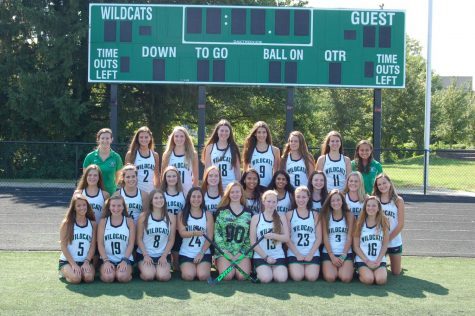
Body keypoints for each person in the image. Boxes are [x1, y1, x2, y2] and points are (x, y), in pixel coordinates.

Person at [214, 181, 253, 280]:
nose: (235, 194)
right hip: (225, 252)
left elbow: (250, 236)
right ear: (228, 194)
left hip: (242, 252)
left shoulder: (248, 213)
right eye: (232, 192)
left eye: (237, 192)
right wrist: (225, 251)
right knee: (227, 276)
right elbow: (217, 234)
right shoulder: (221, 212)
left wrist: (242, 252)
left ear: (241, 193)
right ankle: (219, 263)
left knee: (242, 277)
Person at [250, 190, 290, 283]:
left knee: (281, 279)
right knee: (266, 278)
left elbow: (286, 238)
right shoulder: (256, 218)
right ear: (263, 202)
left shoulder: (281, 217)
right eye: (268, 201)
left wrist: (273, 235)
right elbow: (253, 242)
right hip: (261, 256)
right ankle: (260, 270)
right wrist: (266, 257)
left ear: (277, 203)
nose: (271, 204)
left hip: (277, 255)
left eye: (274, 202)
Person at [136, 189, 175, 281]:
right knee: (149, 276)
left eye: (161, 198)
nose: (159, 200)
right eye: (156, 198)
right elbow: (139, 238)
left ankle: (162, 269)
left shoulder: (171, 216)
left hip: (162, 254)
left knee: (162, 277)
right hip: (146, 254)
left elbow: (171, 239)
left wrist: (164, 256)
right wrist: (145, 255)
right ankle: (144, 269)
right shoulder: (143, 216)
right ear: (151, 201)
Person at [286, 186, 322, 281]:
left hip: (312, 252)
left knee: (311, 277)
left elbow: (319, 238)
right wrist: (297, 254)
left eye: (304, 197)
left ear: (308, 198)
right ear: (294, 198)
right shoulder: (289, 214)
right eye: (298, 197)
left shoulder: (315, 215)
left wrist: (310, 254)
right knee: (297, 277)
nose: (301, 200)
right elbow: (287, 238)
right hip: (294, 252)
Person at [178, 187, 214, 281]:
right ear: (189, 198)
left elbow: (209, 236)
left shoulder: (207, 214)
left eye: (199, 197)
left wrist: (201, 253)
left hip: (203, 252)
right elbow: (182, 233)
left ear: (202, 199)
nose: (196, 199)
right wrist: (195, 233)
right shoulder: (182, 214)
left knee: (203, 276)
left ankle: (201, 267)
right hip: (186, 253)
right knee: (188, 276)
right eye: (193, 196)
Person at [59, 194, 96, 284]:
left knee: (88, 278)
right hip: (68, 261)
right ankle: (64, 272)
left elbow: (92, 246)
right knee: (76, 279)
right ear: (74, 208)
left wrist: (87, 262)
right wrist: (73, 264)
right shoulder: (67, 223)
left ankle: (80, 271)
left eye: (84, 205)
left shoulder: (92, 223)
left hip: (85, 261)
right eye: (78, 205)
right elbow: (63, 246)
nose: (82, 208)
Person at [97, 195, 135, 283]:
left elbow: (131, 244)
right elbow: (100, 244)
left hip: (124, 258)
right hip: (108, 258)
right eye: (113, 205)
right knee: (108, 278)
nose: (116, 208)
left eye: (119, 206)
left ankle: (127, 273)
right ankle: (106, 271)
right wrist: (106, 261)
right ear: (109, 207)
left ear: (123, 207)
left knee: (122, 277)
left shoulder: (129, 221)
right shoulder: (103, 221)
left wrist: (125, 260)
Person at [353, 196, 390, 285]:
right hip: (363, 260)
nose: (371, 208)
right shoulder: (360, 223)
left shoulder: (384, 223)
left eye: (374, 206)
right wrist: (367, 261)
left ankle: (377, 272)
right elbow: (356, 247)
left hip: (378, 259)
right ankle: (359, 273)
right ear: (365, 208)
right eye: (368, 206)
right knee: (369, 280)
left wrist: (378, 260)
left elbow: (385, 244)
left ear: (378, 208)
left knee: (381, 281)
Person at [373, 173, 404, 275]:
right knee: (374, 268)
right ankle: (383, 261)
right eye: (379, 184)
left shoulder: (398, 200)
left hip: (393, 239)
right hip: (378, 240)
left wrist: (387, 239)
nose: (382, 186)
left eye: (384, 183)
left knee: (396, 272)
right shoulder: (375, 199)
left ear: (390, 183)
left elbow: (400, 225)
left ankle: (394, 263)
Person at [320, 189, 354, 283]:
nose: (336, 203)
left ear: (342, 201)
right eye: (333, 200)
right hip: (329, 253)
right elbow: (325, 237)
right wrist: (331, 255)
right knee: (330, 278)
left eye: (338, 200)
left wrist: (343, 256)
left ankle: (345, 267)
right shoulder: (326, 216)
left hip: (345, 253)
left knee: (345, 278)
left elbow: (349, 237)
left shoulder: (349, 215)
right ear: (329, 203)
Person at [201, 119, 241, 190]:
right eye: (222, 131)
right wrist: (205, 187)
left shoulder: (233, 148)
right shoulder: (210, 148)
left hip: (230, 186)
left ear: (230, 133)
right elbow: (207, 169)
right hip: (215, 185)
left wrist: (238, 186)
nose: (224, 133)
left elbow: (237, 170)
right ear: (217, 132)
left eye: (226, 131)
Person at [160, 166, 186, 271]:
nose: (171, 178)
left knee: (177, 247)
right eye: (169, 176)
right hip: (165, 226)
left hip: (178, 227)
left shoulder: (182, 192)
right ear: (165, 178)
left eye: (174, 176)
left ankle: (175, 263)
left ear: (178, 178)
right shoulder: (161, 193)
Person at [83, 128, 123, 195]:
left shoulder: (116, 157)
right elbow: (85, 176)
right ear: (98, 139)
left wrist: (112, 187)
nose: (105, 140)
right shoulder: (90, 157)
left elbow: (118, 176)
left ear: (111, 139)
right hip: (94, 193)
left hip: (110, 192)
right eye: (102, 138)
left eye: (107, 138)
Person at [242, 121, 280, 189]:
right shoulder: (249, 150)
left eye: (264, 132)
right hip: (253, 187)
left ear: (267, 133)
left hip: (268, 187)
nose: (261, 135)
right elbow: (245, 171)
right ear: (255, 134)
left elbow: (276, 172)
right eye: (259, 132)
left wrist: (273, 187)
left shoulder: (275, 150)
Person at [162, 126, 199, 195]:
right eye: (176, 136)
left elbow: (195, 177)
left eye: (182, 136)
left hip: (187, 191)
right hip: (171, 191)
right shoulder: (167, 154)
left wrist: (193, 192)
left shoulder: (192, 154)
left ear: (186, 138)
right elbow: (163, 176)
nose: (179, 139)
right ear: (173, 138)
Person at [125, 126, 161, 193]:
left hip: (150, 191)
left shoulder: (155, 155)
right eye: (141, 137)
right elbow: (126, 175)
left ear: (150, 138)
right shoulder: (131, 154)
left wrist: (158, 190)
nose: (144, 139)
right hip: (136, 191)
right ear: (137, 139)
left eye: (146, 137)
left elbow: (156, 175)